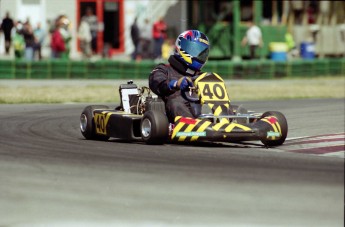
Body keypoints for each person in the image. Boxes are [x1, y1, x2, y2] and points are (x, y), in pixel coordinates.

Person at [149, 30, 210, 123]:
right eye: (194, 50)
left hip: (198, 112)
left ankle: (227, 120)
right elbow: (156, 82)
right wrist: (176, 84)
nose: (198, 55)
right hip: (169, 117)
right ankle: (191, 125)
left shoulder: (201, 76)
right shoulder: (164, 69)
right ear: (180, 47)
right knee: (176, 101)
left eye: (201, 52)